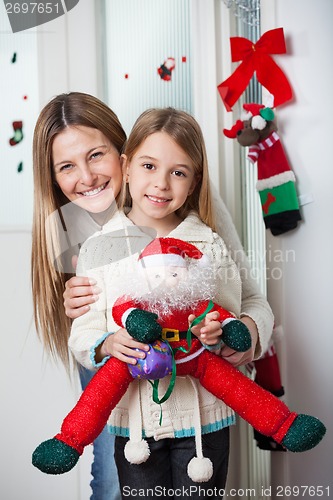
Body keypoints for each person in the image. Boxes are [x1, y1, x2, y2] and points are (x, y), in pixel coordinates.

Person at [53, 108, 277, 499]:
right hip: (136, 423)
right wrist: (105, 343)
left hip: (204, 421)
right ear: (128, 167)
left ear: (193, 183)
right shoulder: (98, 246)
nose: (160, 183)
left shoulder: (209, 243)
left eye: (178, 172)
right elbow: (84, 333)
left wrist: (233, 334)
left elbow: (238, 308)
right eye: (149, 166)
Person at [31, 92, 127, 500]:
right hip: (112, 367)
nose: (86, 178)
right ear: (53, 178)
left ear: (123, 151)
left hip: (181, 370)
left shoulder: (169, 196)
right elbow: (86, 342)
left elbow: (244, 296)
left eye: (96, 155)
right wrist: (82, 319)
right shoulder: (64, 228)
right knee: (111, 478)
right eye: (67, 166)